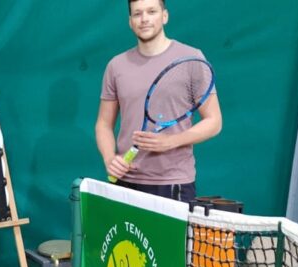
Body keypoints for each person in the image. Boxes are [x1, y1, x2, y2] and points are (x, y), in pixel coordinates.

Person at [95, 0, 222, 203]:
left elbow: (214, 122)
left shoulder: (191, 58)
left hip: (173, 184)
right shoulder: (116, 66)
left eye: (151, 11)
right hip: (124, 183)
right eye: (137, 14)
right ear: (130, 21)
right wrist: (110, 158)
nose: (144, 19)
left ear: (164, 16)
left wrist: (171, 141)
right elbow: (103, 124)